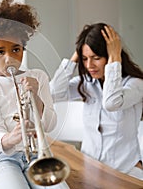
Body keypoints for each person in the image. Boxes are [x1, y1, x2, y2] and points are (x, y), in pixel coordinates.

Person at [0, 0, 68, 189]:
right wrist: (12, 137)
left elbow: (49, 125)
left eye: (16, 49)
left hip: (37, 155)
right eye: (0, 51)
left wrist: (36, 96)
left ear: (23, 48)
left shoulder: (38, 77)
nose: (10, 58)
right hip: (0, 159)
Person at [50, 23, 143, 180]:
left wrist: (115, 59)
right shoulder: (87, 83)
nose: (89, 65)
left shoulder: (135, 84)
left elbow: (111, 103)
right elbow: (53, 93)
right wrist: (76, 55)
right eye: (85, 59)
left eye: (96, 58)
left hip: (123, 172)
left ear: (111, 55)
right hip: (89, 170)